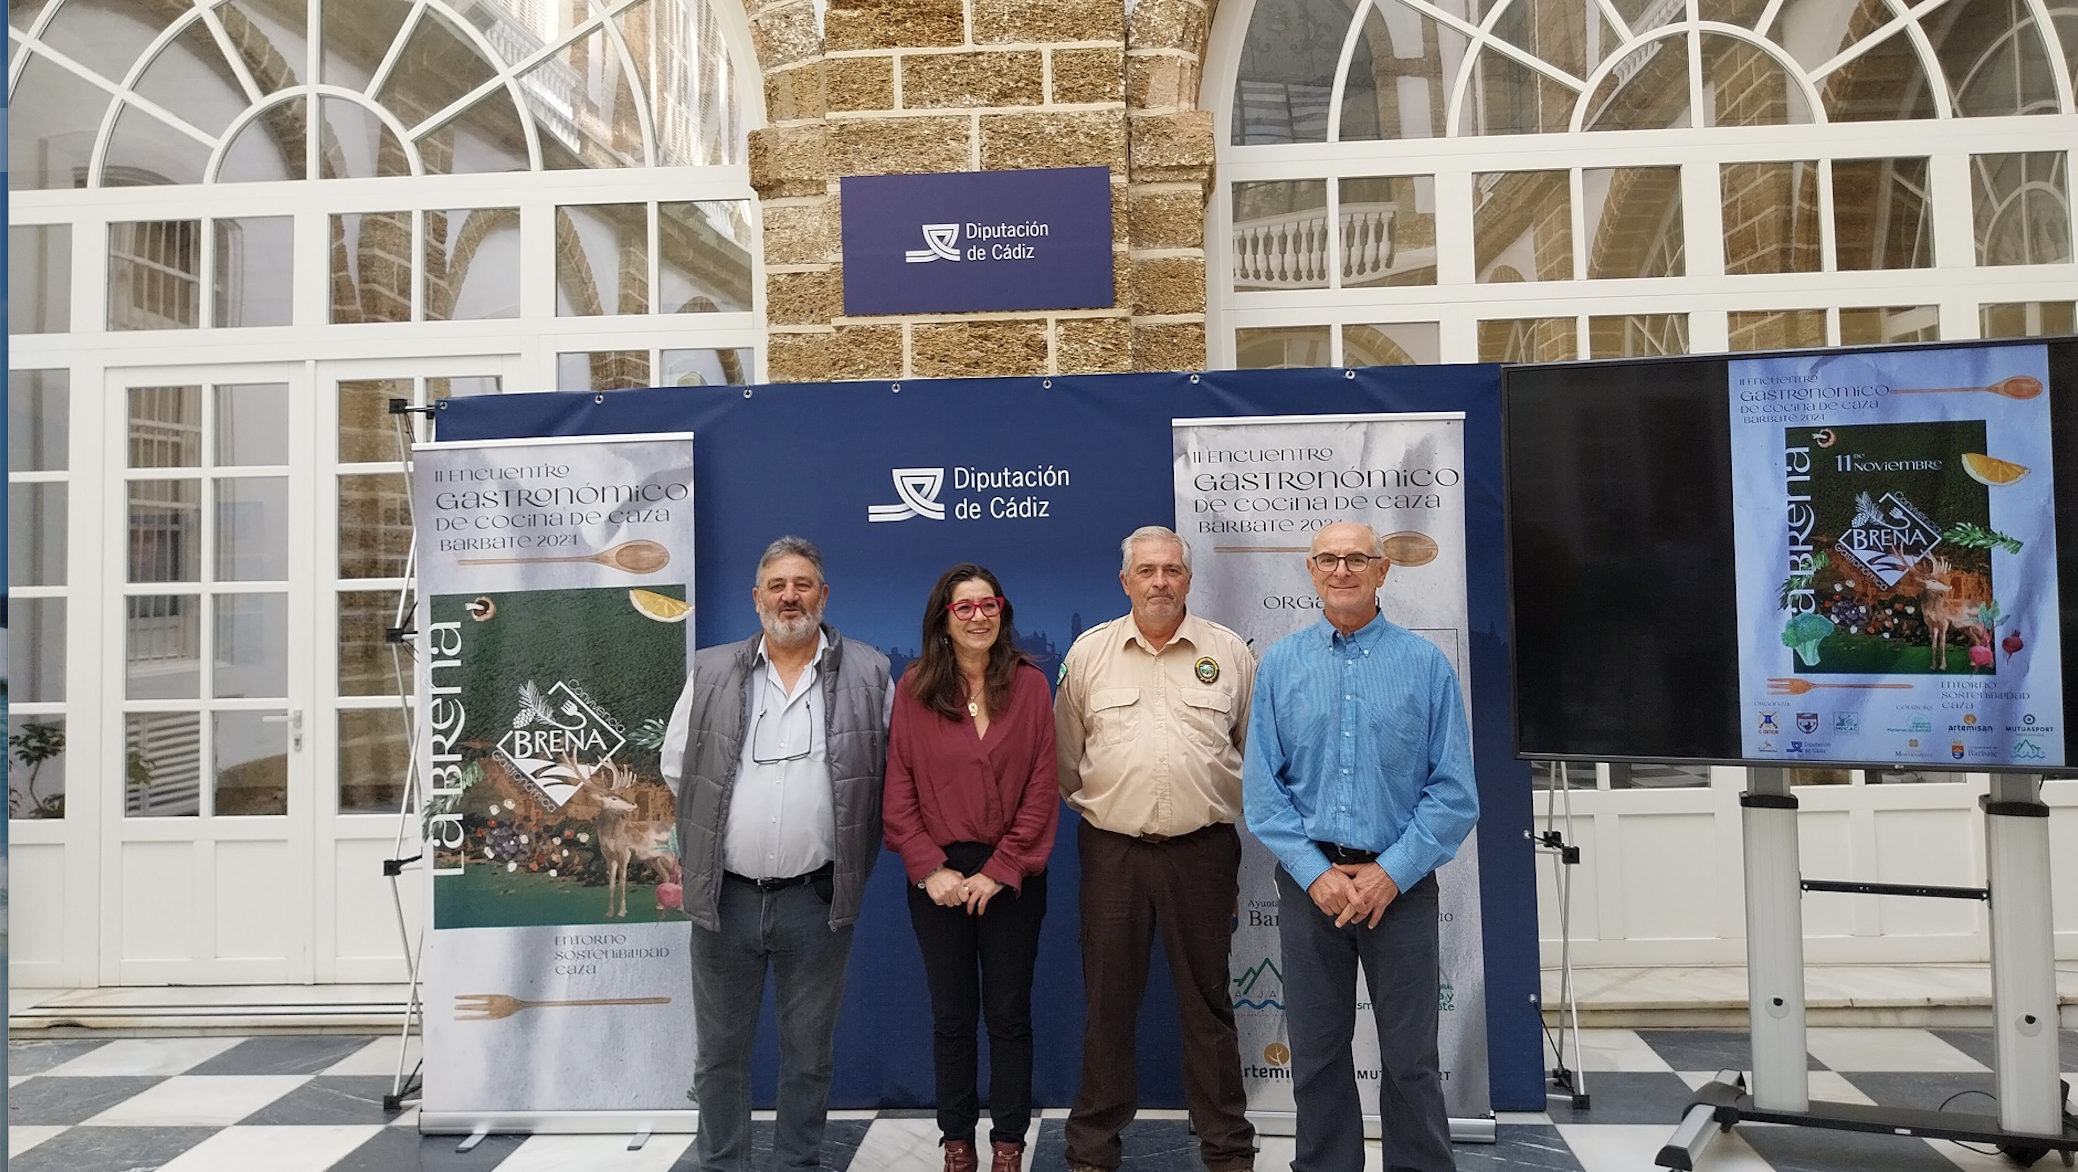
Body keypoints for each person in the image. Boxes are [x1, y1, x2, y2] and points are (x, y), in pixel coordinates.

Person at [1242, 522, 1479, 1172]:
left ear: (1382, 571)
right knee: (1316, 1056)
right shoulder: (1281, 666)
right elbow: (1263, 792)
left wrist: (1390, 874)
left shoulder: (1425, 667)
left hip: (1398, 890)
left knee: (1410, 1062)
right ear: (1310, 570)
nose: (1342, 569)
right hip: (1309, 885)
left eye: (1356, 559)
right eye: (1328, 559)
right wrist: (1317, 874)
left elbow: (1454, 793)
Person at [660, 536, 891, 1172]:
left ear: (824, 594)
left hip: (816, 900)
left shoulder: (871, 673)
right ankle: (723, 1164)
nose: (791, 596)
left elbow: (887, 777)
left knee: (809, 1054)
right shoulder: (710, 671)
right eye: (778, 586)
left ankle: (796, 1165)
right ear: (757, 597)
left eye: (804, 584)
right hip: (725, 899)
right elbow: (679, 769)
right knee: (719, 1056)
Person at [1055, 525, 1258, 1172]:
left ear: (1188, 580)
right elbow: (1066, 762)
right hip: (1113, 854)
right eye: (1147, 571)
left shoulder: (1228, 654)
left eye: (1172, 570)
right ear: (1126, 582)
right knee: (1108, 1006)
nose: (1160, 582)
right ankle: (1092, 1152)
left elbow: (1252, 752)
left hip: (1203, 854)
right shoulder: (1088, 655)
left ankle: (1227, 1151)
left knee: (1208, 1007)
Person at [884, 564, 1061, 1172]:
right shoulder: (912, 688)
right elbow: (898, 791)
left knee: (1009, 1016)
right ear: (944, 619)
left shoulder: (1032, 686)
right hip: (938, 878)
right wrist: (929, 869)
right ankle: (956, 1143)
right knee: (952, 1018)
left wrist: (1003, 868)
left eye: (990, 605)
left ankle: (1008, 1144)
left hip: (1012, 875)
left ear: (1002, 612)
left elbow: (1043, 786)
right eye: (965, 608)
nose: (979, 616)